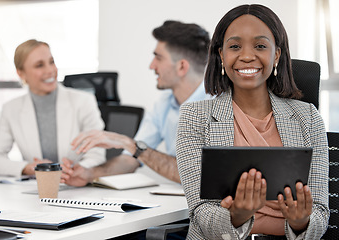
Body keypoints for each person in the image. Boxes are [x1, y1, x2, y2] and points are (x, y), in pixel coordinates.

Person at [176, 4, 329, 240]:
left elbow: (320, 212)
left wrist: (302, 222)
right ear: (221, 55)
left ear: (276, 54)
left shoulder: (307, 117)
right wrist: (237, 215)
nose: (247, 56)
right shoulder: (195, 117)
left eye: (260, 46)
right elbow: (200, 213)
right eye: (235, 46)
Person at [61, 20, 212, 186]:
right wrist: (89, 174)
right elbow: (131, 158)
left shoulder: (219, 107)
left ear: (182, 67)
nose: (151, 66)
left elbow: (198, 174)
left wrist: (128, 143)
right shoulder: (164, 104)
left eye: (158, 58)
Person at [0, 39, 106, 177]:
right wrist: (28, 168)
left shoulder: (83, 101)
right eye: (39, 65)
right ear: (21, 73)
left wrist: (76, 170)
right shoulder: (11, 109)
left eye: (51, 62)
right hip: (37, 190)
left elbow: (97, 156)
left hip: (78, 187)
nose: (50, 70)